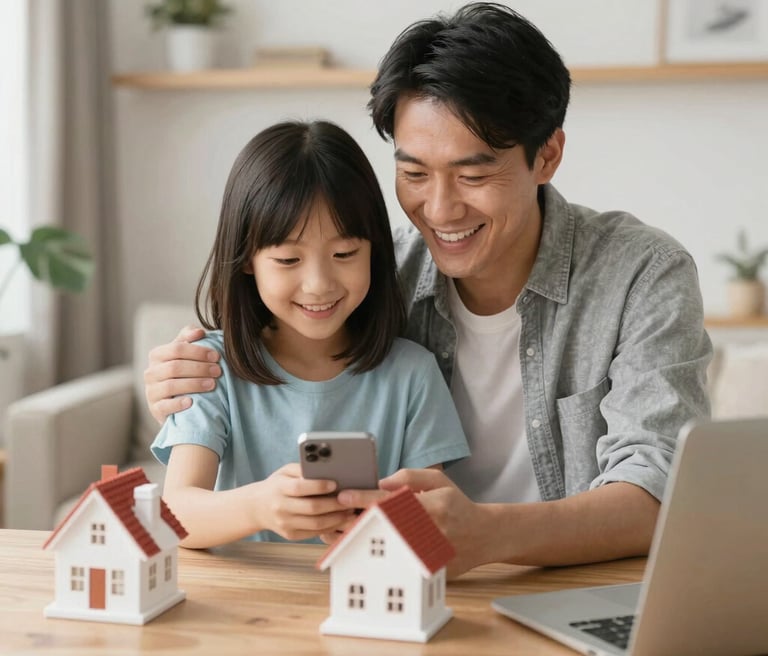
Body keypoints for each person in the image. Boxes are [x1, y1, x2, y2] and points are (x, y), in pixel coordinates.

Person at [144, 3, 712, 575]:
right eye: (414, 173)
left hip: (569, 585)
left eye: (472, 174)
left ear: (547, 155)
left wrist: (486, 534)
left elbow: (657, 495)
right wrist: (184, 380)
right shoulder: (369, 276)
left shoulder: (642, 273)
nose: (439, 209)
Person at [150, 119, 470, 549]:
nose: (319, 283)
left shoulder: (413, 373)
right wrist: (261, 506)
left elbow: (432, 518)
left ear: (375, 250)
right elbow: (176, 512)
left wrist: (384, 517)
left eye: (344, 254)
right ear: (247, 259)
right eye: (287, 259)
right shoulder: (210, 368)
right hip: (243, 606)